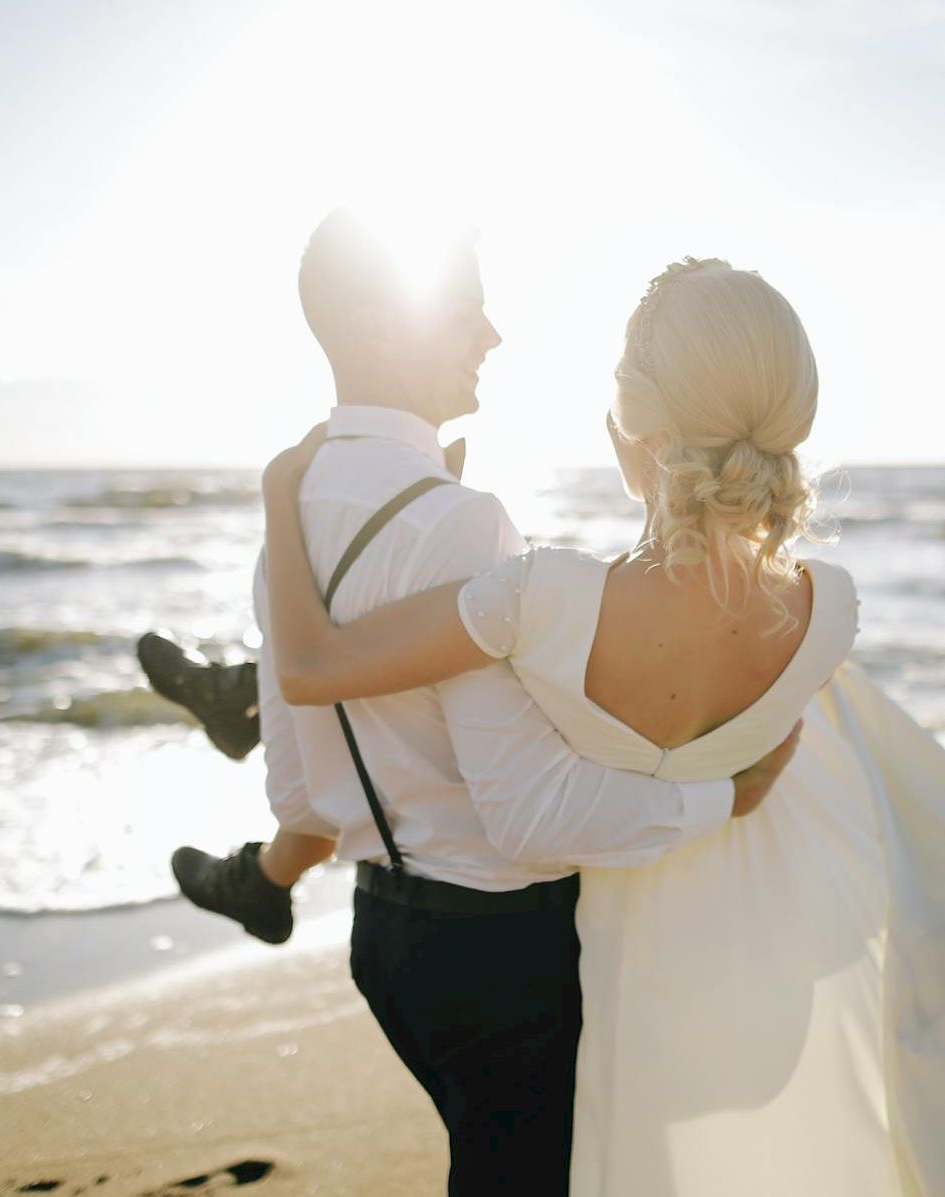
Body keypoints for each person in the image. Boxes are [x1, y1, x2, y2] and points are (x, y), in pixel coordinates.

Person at [254, 256, 945, 1196]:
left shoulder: (543, 599)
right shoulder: (831, 611)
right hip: (747, 979)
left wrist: (280, 506)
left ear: (634, 434)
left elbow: (314, 668)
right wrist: (729, 794)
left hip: (603, 983)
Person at [169, 210, 801, 1196]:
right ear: (385, 325)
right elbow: (529, 811)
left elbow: (301, 789)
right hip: (501, 956)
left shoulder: (291, 518)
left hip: (381, 940)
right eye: (466, 312)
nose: (493, 335)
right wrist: (725, 796)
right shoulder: (465, 524)